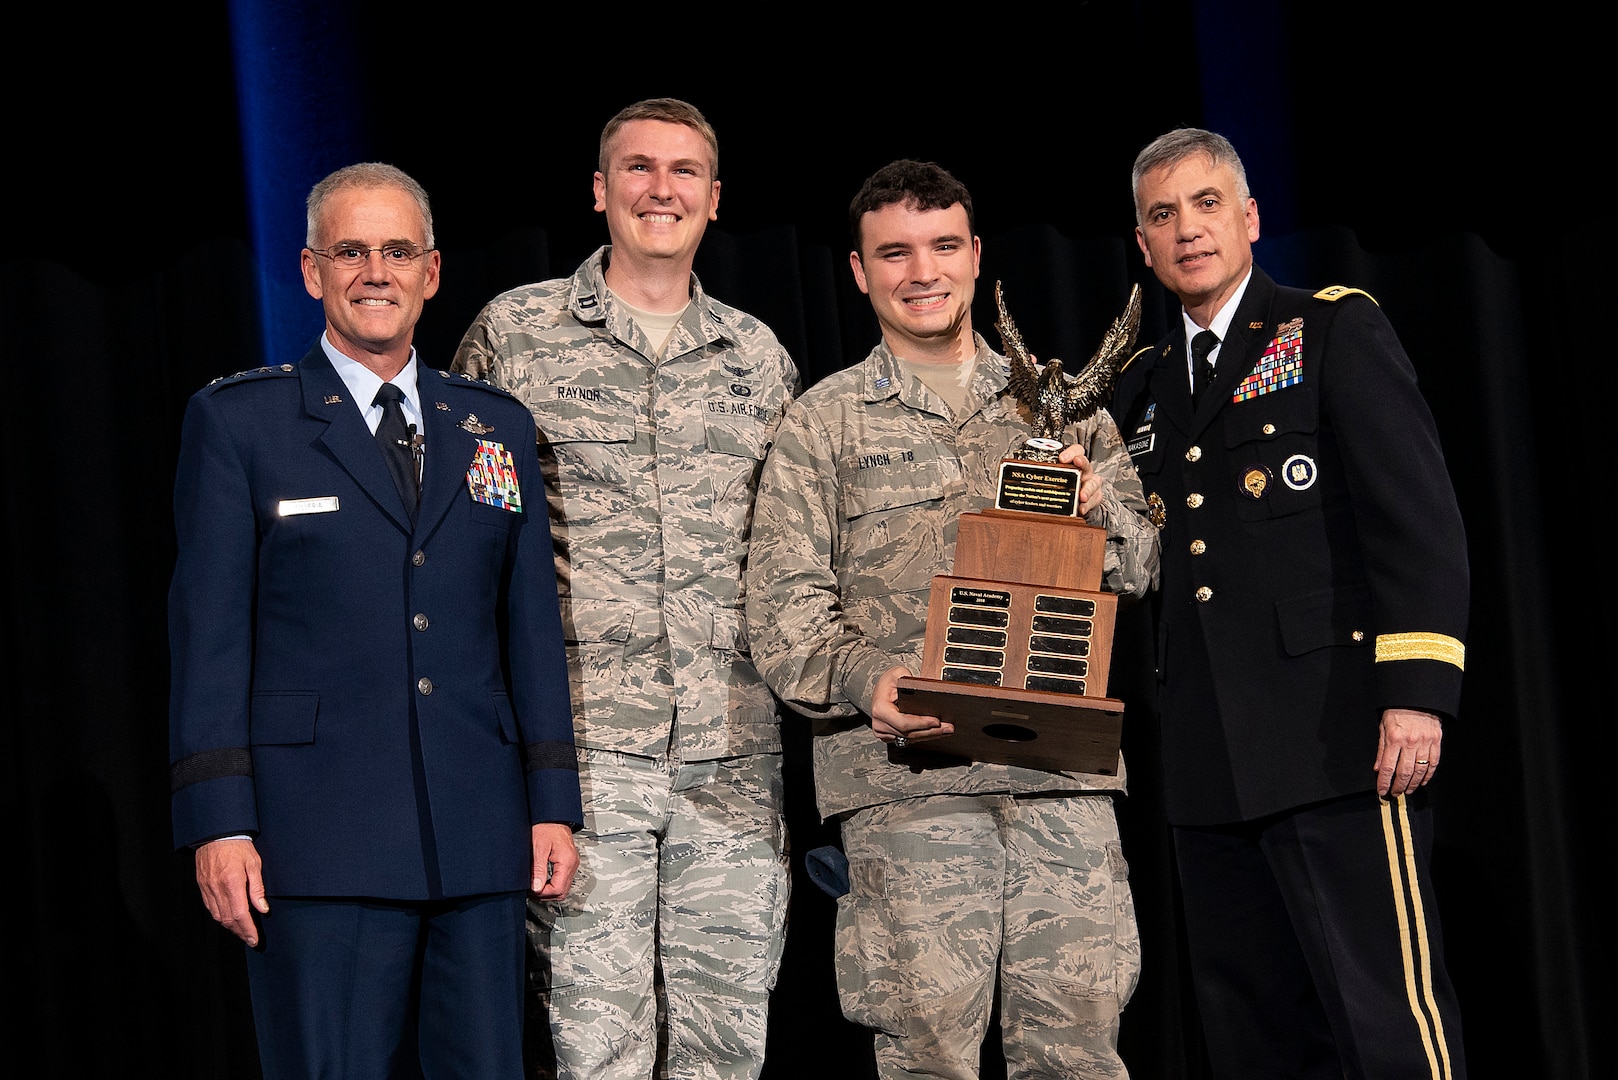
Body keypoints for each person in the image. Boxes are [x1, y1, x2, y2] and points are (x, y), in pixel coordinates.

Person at [745, 159, 1160, 1079]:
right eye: (893, 253)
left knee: (1082, 1055)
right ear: (859, 272)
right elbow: (781, 611)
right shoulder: (824, 423)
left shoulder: (1063, 410)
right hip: (907, 785)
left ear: (976, 256)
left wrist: (1097, 510)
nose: (920, 271)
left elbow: (1141, 565)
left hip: (1063, 780)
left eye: (941, 247)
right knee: (928, 1056)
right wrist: (864, 680)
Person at [168, 162, 583, 1080]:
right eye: (350, 251)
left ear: (432, 273)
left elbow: (528, 630)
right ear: (311, 271)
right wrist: (218, 822)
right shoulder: (242, 423)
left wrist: (552, 802)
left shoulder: (493, 428)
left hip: (477, 837)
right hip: (316, 841)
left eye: (397, 251)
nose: (375, 272)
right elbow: (208, 639)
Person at [452, 98, 799, 1079]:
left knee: (723, 1052)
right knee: (596, 1049)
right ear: (600, 191)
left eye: (684, 171)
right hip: (584, 761)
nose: (661, 189)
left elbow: (789, 552)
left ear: (715, 199)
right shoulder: (515, 335)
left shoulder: (759, 356)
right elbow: (465, 538)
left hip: (733, 760)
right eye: (639, 168)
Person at [1112, 127, 1469, 1079]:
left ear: (1249, 218)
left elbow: (1417, 521)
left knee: (1389, 1022)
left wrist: (1418, 691)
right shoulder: (1141, 390)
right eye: (1162, 215)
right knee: (1253, 1040)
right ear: (1142, 246)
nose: (1187, 230)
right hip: (1206, 765)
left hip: (1339, 740)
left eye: (1206, 204)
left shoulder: (1327, 330)